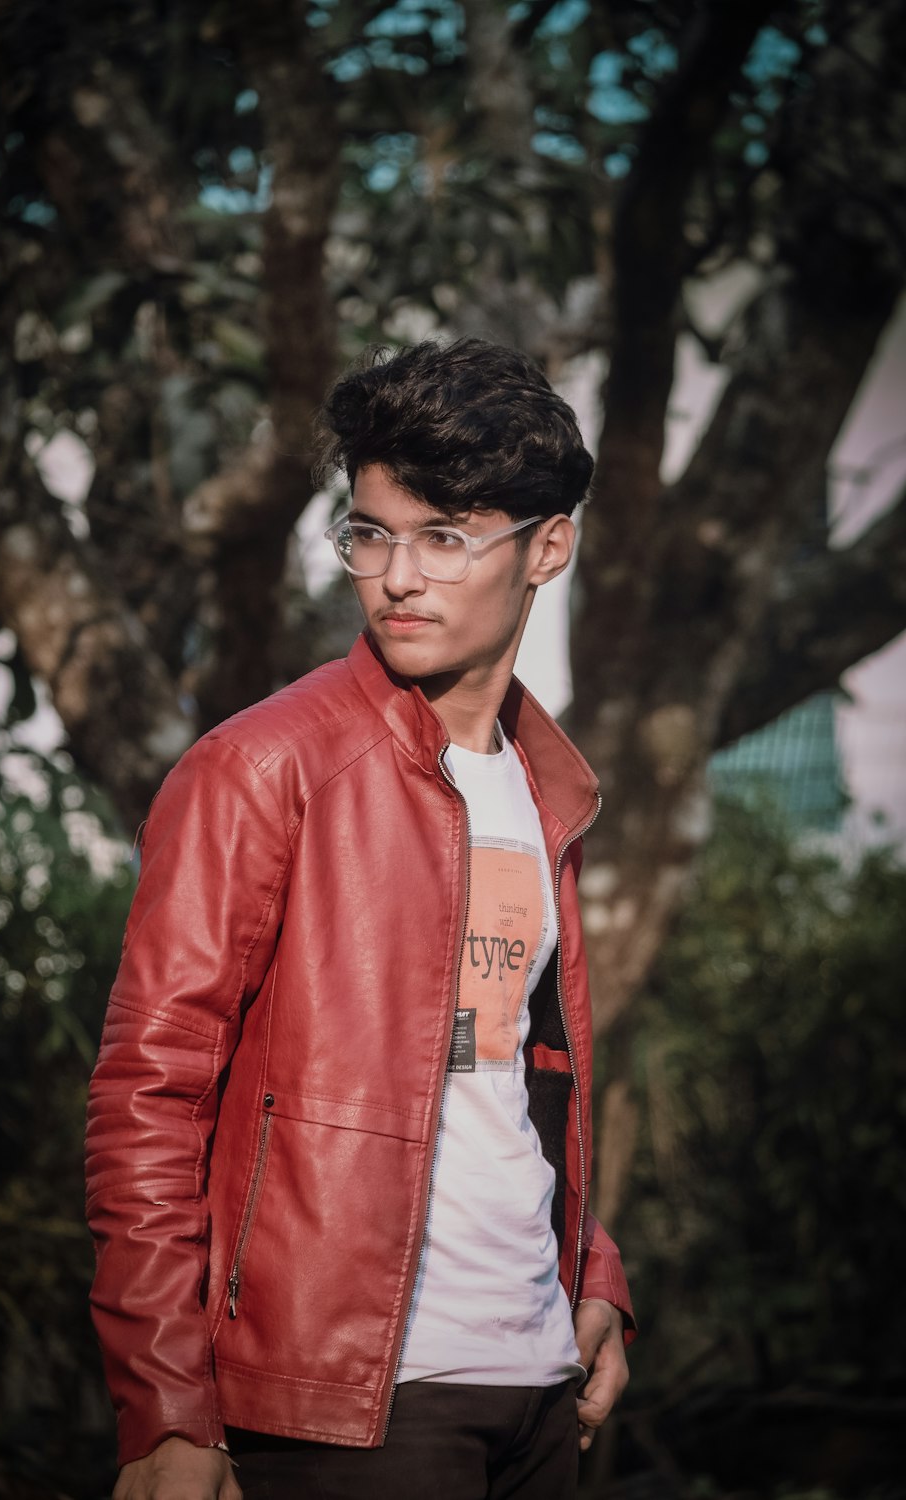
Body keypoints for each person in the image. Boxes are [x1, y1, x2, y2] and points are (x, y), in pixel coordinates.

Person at [85, 338, 636, 1500]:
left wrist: (594, 1276)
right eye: (372, 533)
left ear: (548, 547)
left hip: (538, 1385)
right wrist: (165, 1407)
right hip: (347, 1401)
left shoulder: (548, 789)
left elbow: (524, 1075)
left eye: (444, 537)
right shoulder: (262, 769)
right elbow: (149, 1092)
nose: (397, 576)